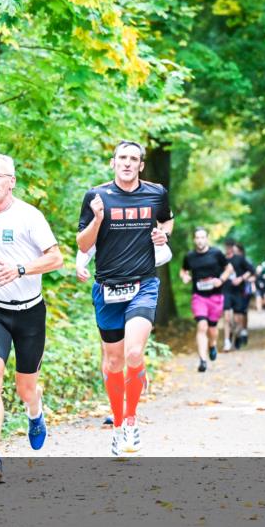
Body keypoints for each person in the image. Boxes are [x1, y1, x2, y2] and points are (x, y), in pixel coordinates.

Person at [0, 152, 63, 483]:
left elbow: (56, 258)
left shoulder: (29, 217)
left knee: (25, 388)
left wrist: (20, 269)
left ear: (11, 182)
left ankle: (35, 413)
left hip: (30, 313)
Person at [76, 140, 174, 456]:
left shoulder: (156, 192)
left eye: (134, 158)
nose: (128, 163)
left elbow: (167, 219)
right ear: (113, 162)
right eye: (122, 158)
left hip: (143, 283)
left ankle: (131, 422)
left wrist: (164, 234)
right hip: (107, 288)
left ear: (141, 165)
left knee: (133, 354)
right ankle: (118, 424)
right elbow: (81, 243)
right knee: (114, 361)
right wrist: (97, 219)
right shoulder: (96, 195)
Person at [179, 228, 233, 371]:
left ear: (207, 239)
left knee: (212, 330)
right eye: (197, 237)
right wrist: (184, 276)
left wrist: (221, 280)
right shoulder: (190, 256)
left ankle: (212, 344)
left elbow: (229, 268)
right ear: (194, 240)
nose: (200, 240)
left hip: (215, 296)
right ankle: (202, 361)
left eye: (202, 237)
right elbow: (183, 270)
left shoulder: (216, 253)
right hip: (199, 297)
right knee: (202, 326)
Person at [221, 239, 253, 352]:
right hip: (225, 291)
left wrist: (241, 278)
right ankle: (227, 341)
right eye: (227, 246)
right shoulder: (221, 259)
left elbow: (251, 270)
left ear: (233, 247)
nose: (228, 248)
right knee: (227, 317)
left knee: (238, 320)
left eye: (230, 246)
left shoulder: (240, 259)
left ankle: (237, 336)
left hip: (238, 292)